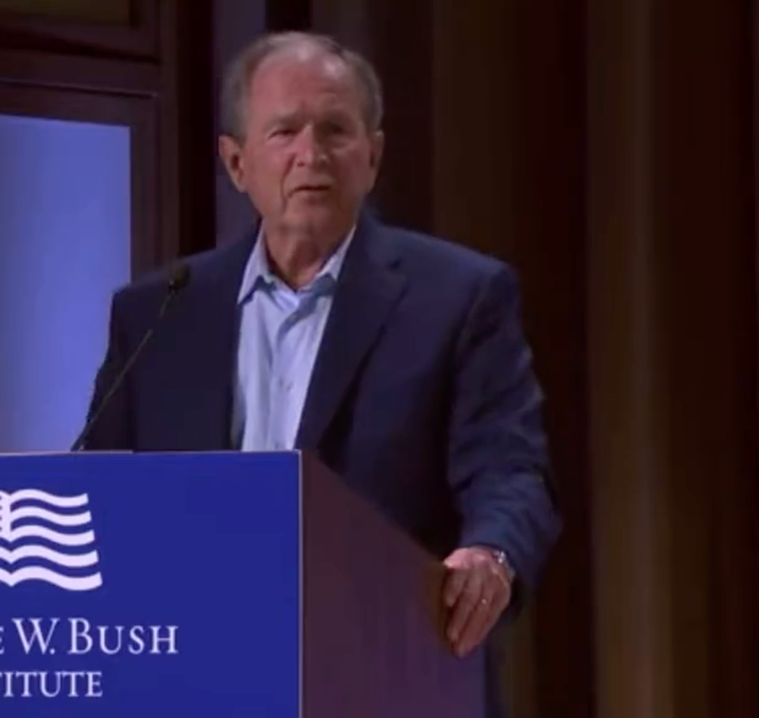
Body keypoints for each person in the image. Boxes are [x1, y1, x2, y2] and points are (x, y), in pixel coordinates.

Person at [81, 30, 561, 716]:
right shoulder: (159, 312)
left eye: (335, 130)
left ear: (373, 156)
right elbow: (99, 489)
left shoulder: (459, 298)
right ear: (236, 162)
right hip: (199, 673)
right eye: (284, 132)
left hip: (388, 672)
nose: (311, 155)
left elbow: (511, 469)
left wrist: (491, 554)